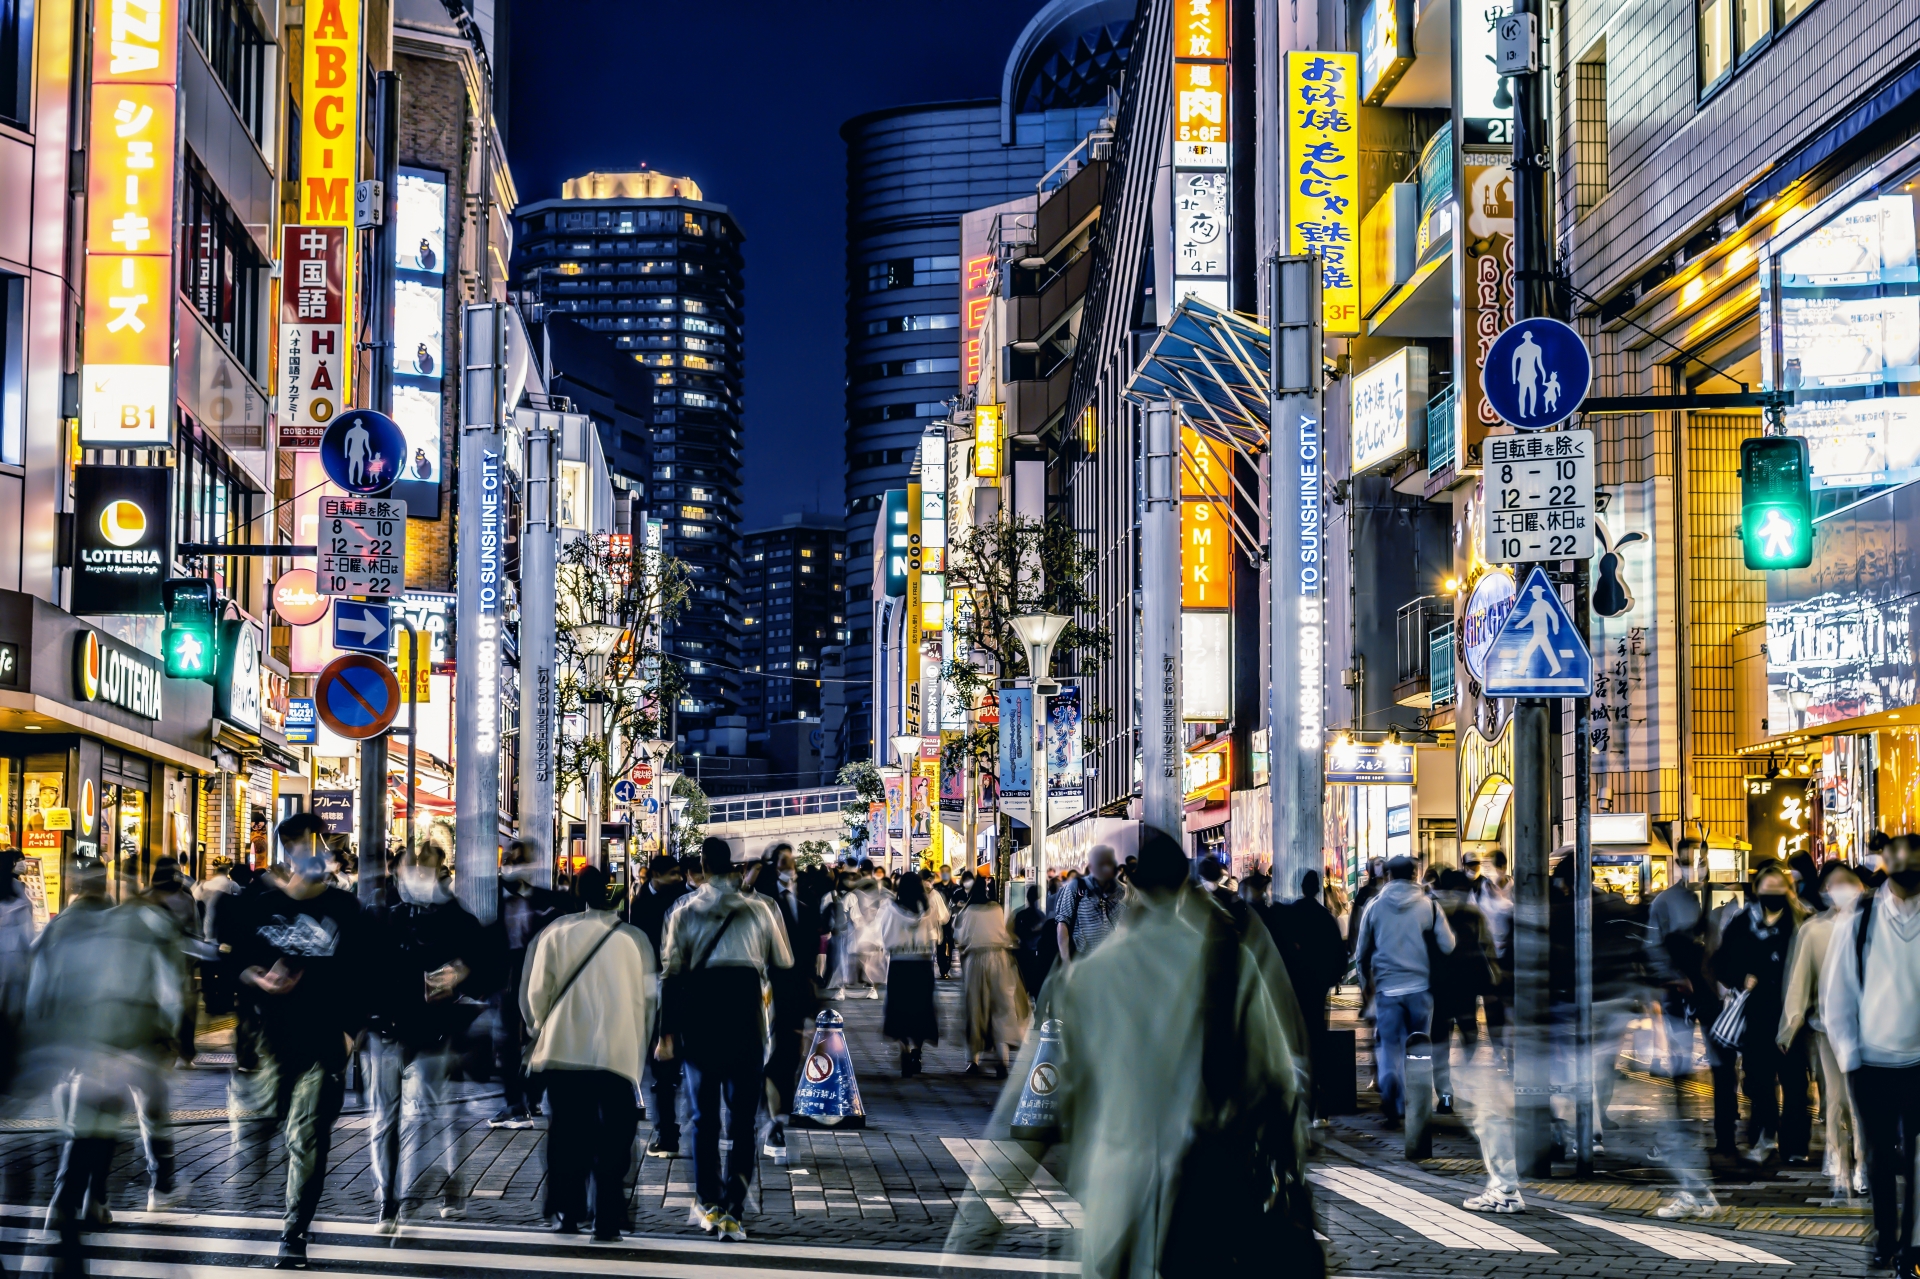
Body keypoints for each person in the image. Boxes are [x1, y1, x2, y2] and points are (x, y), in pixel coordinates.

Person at [1024, 830, 1314, 1278]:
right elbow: (1275, 1070)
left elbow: (1062, 1085)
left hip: (1116, 1182)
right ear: (1186, 886)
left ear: (1133, 887)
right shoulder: (1229, 960)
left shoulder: (1090, 975)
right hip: (1204, 1182)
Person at [28, 857, 185, 1272]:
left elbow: (38, 982)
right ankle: (80, 1201)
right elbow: (161, 983)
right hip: (116, 1042)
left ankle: (84, 1203)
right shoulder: (121, 924)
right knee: (97, 1128)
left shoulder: (59, 926)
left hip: (73, 1046)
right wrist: (169, 1031)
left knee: (86, 1126)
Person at [230, 813, 370, 1269]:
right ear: (288, 851)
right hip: (270, 1038)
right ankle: (260, 1151)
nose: (310, 854)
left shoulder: (346, 910)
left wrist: (351, 1034)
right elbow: (237, 965)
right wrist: (259, 978)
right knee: (271, 1122)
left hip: (323, 1040)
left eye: (316, 845)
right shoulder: (258, 904)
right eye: (299, 846)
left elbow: (365, 976)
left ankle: (294, 1233)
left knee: (306, 1137)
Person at [658, 838, 792, 1241]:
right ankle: (734, 1209)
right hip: (745, 1013)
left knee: (703, 1118)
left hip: (700, 1016)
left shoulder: (682, 911)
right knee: (743, 1121)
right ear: (730, 864)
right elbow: (783, 961)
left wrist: (665, 1035)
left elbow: (671, 975)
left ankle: (708, 1202)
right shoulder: (760, 909)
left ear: (702, 865)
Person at [523, 865, 654, 1242]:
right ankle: (607, 1217)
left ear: (577, 894)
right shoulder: (629, 941)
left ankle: (568, 1211)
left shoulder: (557, 934)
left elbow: (537, 995)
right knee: (614, 1138)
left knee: (567, 1134)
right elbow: (645, 1000)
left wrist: (539, 1027)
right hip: (615, 1055)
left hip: (565, 1052)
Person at [367, 840, 489, 1230]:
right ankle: (389, 1196)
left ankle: (408, 1194)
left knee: (421, 1115)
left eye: (426, 868)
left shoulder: (456, 919)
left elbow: (484, 967)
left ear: (441, 872)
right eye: (410, 868)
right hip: (384, 1030)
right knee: (386, 1120)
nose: (417, 875)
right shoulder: (384, 915)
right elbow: (362, 971)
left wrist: (462, 972)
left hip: (433, 1034)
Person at [1823, 833, 1920, 1269]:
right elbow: (1838, 993)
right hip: (1872, 1060)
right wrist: (1849, 1056)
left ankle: (1911, 1246)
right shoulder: (1860, 917)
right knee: (1880, 1156)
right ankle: (1886, 1236)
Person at [1780, 859, 1867, 1201]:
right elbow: (1800, 981)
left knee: (1863, 1102)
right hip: (1828, 1027)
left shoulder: (1876, 925)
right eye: (1834, 883)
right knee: (1836, 1100)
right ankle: (1839, 1162)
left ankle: (1861, 1164)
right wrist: (1790, 1026)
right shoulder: (1814, 930)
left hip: (1871, 1027)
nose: (1842, 889)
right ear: (1825, 891)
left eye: (1848, 881)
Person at [1714, 863, 1810, 1166]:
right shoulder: (1743, 922)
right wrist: (1741, 977)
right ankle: (1764, 1136)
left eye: (1778, 888)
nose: (1772, 894)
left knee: (1795, 1082)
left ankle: (1794, 1145)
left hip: (1793, 1014)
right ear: (1757, 890)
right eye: (1767, 888)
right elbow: (1722, 962)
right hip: (1757, 1015)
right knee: (1759, 1081)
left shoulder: (1801, 922)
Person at [1352, 856, 1454, 1133]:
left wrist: (1366, 986)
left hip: (1387, 990)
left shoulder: (1374, 907)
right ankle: (1417, 1103)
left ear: (1387, 875)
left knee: (1389, 1048)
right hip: (1420, 989)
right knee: (1420, 1049)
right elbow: (1448, 945)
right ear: (1414, 874)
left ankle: (1391, 1094)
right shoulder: (1429, 906)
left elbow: (1361, 954)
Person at [748, 843, 824, 1164]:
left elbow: (811, 947)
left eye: (791, 861)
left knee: (791, 1054)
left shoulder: (806, 899)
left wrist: (814, 986)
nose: (789, 866)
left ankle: (778, 1113)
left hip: (796, 992)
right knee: (769, 1057)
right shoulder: (761, 898)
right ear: (773, 865)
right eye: (783, 861)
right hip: (766, 991)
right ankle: (775, 1118)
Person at [490, 839, 572, 1131]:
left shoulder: (546, 900)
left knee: (540, 1039)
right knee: (507, 1044)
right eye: (509, 861)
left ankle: (533, 1096)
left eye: (518, 861)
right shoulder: (494, 900)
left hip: (539, 978)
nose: (512, 867)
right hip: (508, 980)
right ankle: (515, 1105)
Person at [628, 852, 689, 1155]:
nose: (678, 878)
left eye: (680, 873)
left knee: (670, 1064)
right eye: (673, 874)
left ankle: (671, 1131)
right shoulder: (639, 905)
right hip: (655, 990)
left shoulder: (684, 898)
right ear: (654, 875)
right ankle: (668, 1133)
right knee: (662, 1067)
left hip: (682, 989)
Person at [1431, 869, 1498, 1116]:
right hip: (1463, 989)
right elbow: (1485, 950)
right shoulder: (1469, 914)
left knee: (1442, 1045)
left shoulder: (1431, 911)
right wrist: (1489, 987)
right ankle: (1451, 1090)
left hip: (1439, 989)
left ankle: (1448, 1093)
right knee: (1465, 1038)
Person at [956, 877, 1029, 1076]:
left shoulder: (968, 911)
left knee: (976, 1010)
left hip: (975, 961)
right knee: (1002, 1009)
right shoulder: (996, 908)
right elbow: (1005, 934)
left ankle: (973, 1061)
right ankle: (1002, 1061)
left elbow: (960, 939)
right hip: (1000, 959)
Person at [880, 871, 948, 1075]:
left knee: (899, 1008)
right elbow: (937, 932)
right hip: (922, 964)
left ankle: (903, 1047)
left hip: (900, 964)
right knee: (921, 1009)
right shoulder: (928, 910)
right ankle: (916, 1052)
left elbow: (885, 935)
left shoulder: (890, 909)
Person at [1052, 844, 1127, 966]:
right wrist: (1066, 961)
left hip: (1111, 958)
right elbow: (1063, 923)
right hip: (1083, 958)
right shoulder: (1076, 887)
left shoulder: (1119, 890)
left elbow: (1124, 922)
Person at [1012, 883, 1055, 997]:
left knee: (1023, 981)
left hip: (1023, 952)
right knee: (1036, 983)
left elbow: (1017, 932)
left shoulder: (1020, 914)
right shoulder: (1042, 915)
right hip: (1036, 953)